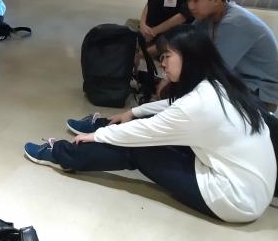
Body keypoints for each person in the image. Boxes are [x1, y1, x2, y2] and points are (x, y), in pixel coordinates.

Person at [24, 25, 276, 223]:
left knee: (138, 148)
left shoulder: (199, 104)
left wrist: (98, 136)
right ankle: (102, 126)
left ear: (190, 57)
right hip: (249, 188)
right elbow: (173, 109)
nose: (162, 63)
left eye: (167, 56)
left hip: (233, 200)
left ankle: (62, 155)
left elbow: (147, 131)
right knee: (144, 131)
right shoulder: (219, 84)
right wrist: (133, 112)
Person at [185, 0, 278, 111]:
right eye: (188, 0)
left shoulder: (234, 23)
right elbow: (184, 43)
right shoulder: (207, 16)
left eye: (195, 0)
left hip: (259, 91)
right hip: (237, 81)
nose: (190, 6)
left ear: (216, 0)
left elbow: (214, 69)